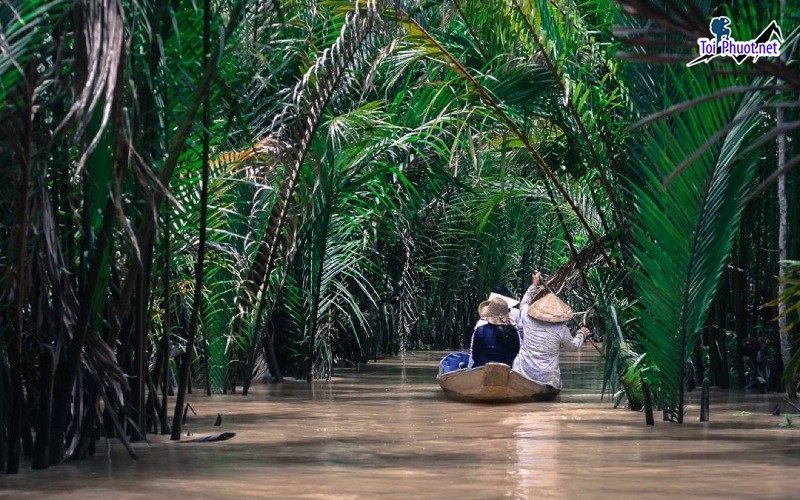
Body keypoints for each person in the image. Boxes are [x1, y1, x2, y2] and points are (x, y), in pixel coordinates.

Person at [513, 271, 591, 389]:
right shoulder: (561, 329)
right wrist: (581, 334)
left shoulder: (527, 319)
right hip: (547, 378)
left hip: (522, 372)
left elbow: (524, 302)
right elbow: (573, 346)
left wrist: (534, 285)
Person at [470, 297, 521, 368]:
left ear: (488, 314)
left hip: (481, 370)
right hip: (505, 371)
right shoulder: (513, 331)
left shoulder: (480, 330)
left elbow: (475, 356)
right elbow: (515, 353)